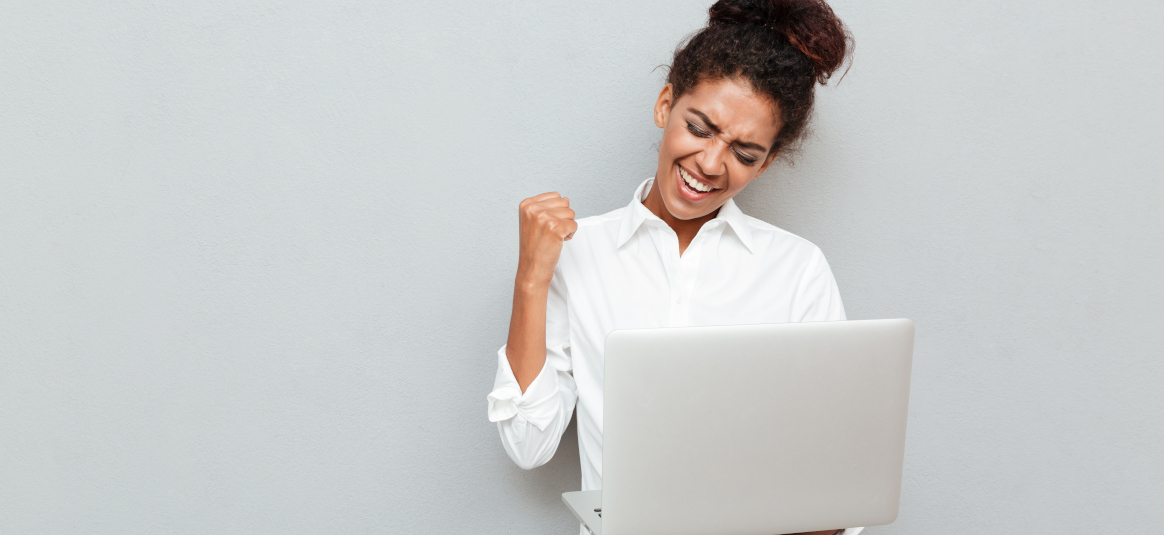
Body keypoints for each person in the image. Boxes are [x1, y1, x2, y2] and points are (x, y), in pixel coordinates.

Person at [487, 0, 855, 533]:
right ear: (665, 105)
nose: (710, 164)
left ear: (767, 162)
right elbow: (528, 444)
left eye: (745, 153)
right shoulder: (577, 250)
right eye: (700, 127)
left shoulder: (797, 270)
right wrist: (531, 278)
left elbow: (837, 491)